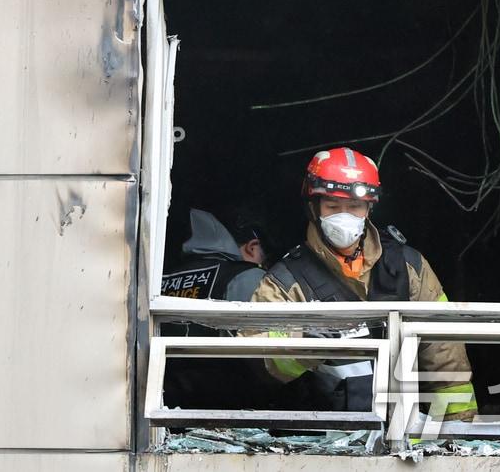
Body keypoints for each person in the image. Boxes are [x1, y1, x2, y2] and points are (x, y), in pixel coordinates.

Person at [250, 147, 477, 421]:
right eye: (333, 206)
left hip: (402, 439)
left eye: (355, 206)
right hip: (322, 441)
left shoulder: (408, 266)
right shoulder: (285, 281)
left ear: (369, 207)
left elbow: (445, 357)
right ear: (313, 207)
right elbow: (258, 364)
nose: (344, 216)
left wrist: (461, 433)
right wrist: (304, 345)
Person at [160, 207, 272, 409]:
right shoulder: (248, 277)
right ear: (253, 248)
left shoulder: (163, 278)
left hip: (167, 400)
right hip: (225, 409)